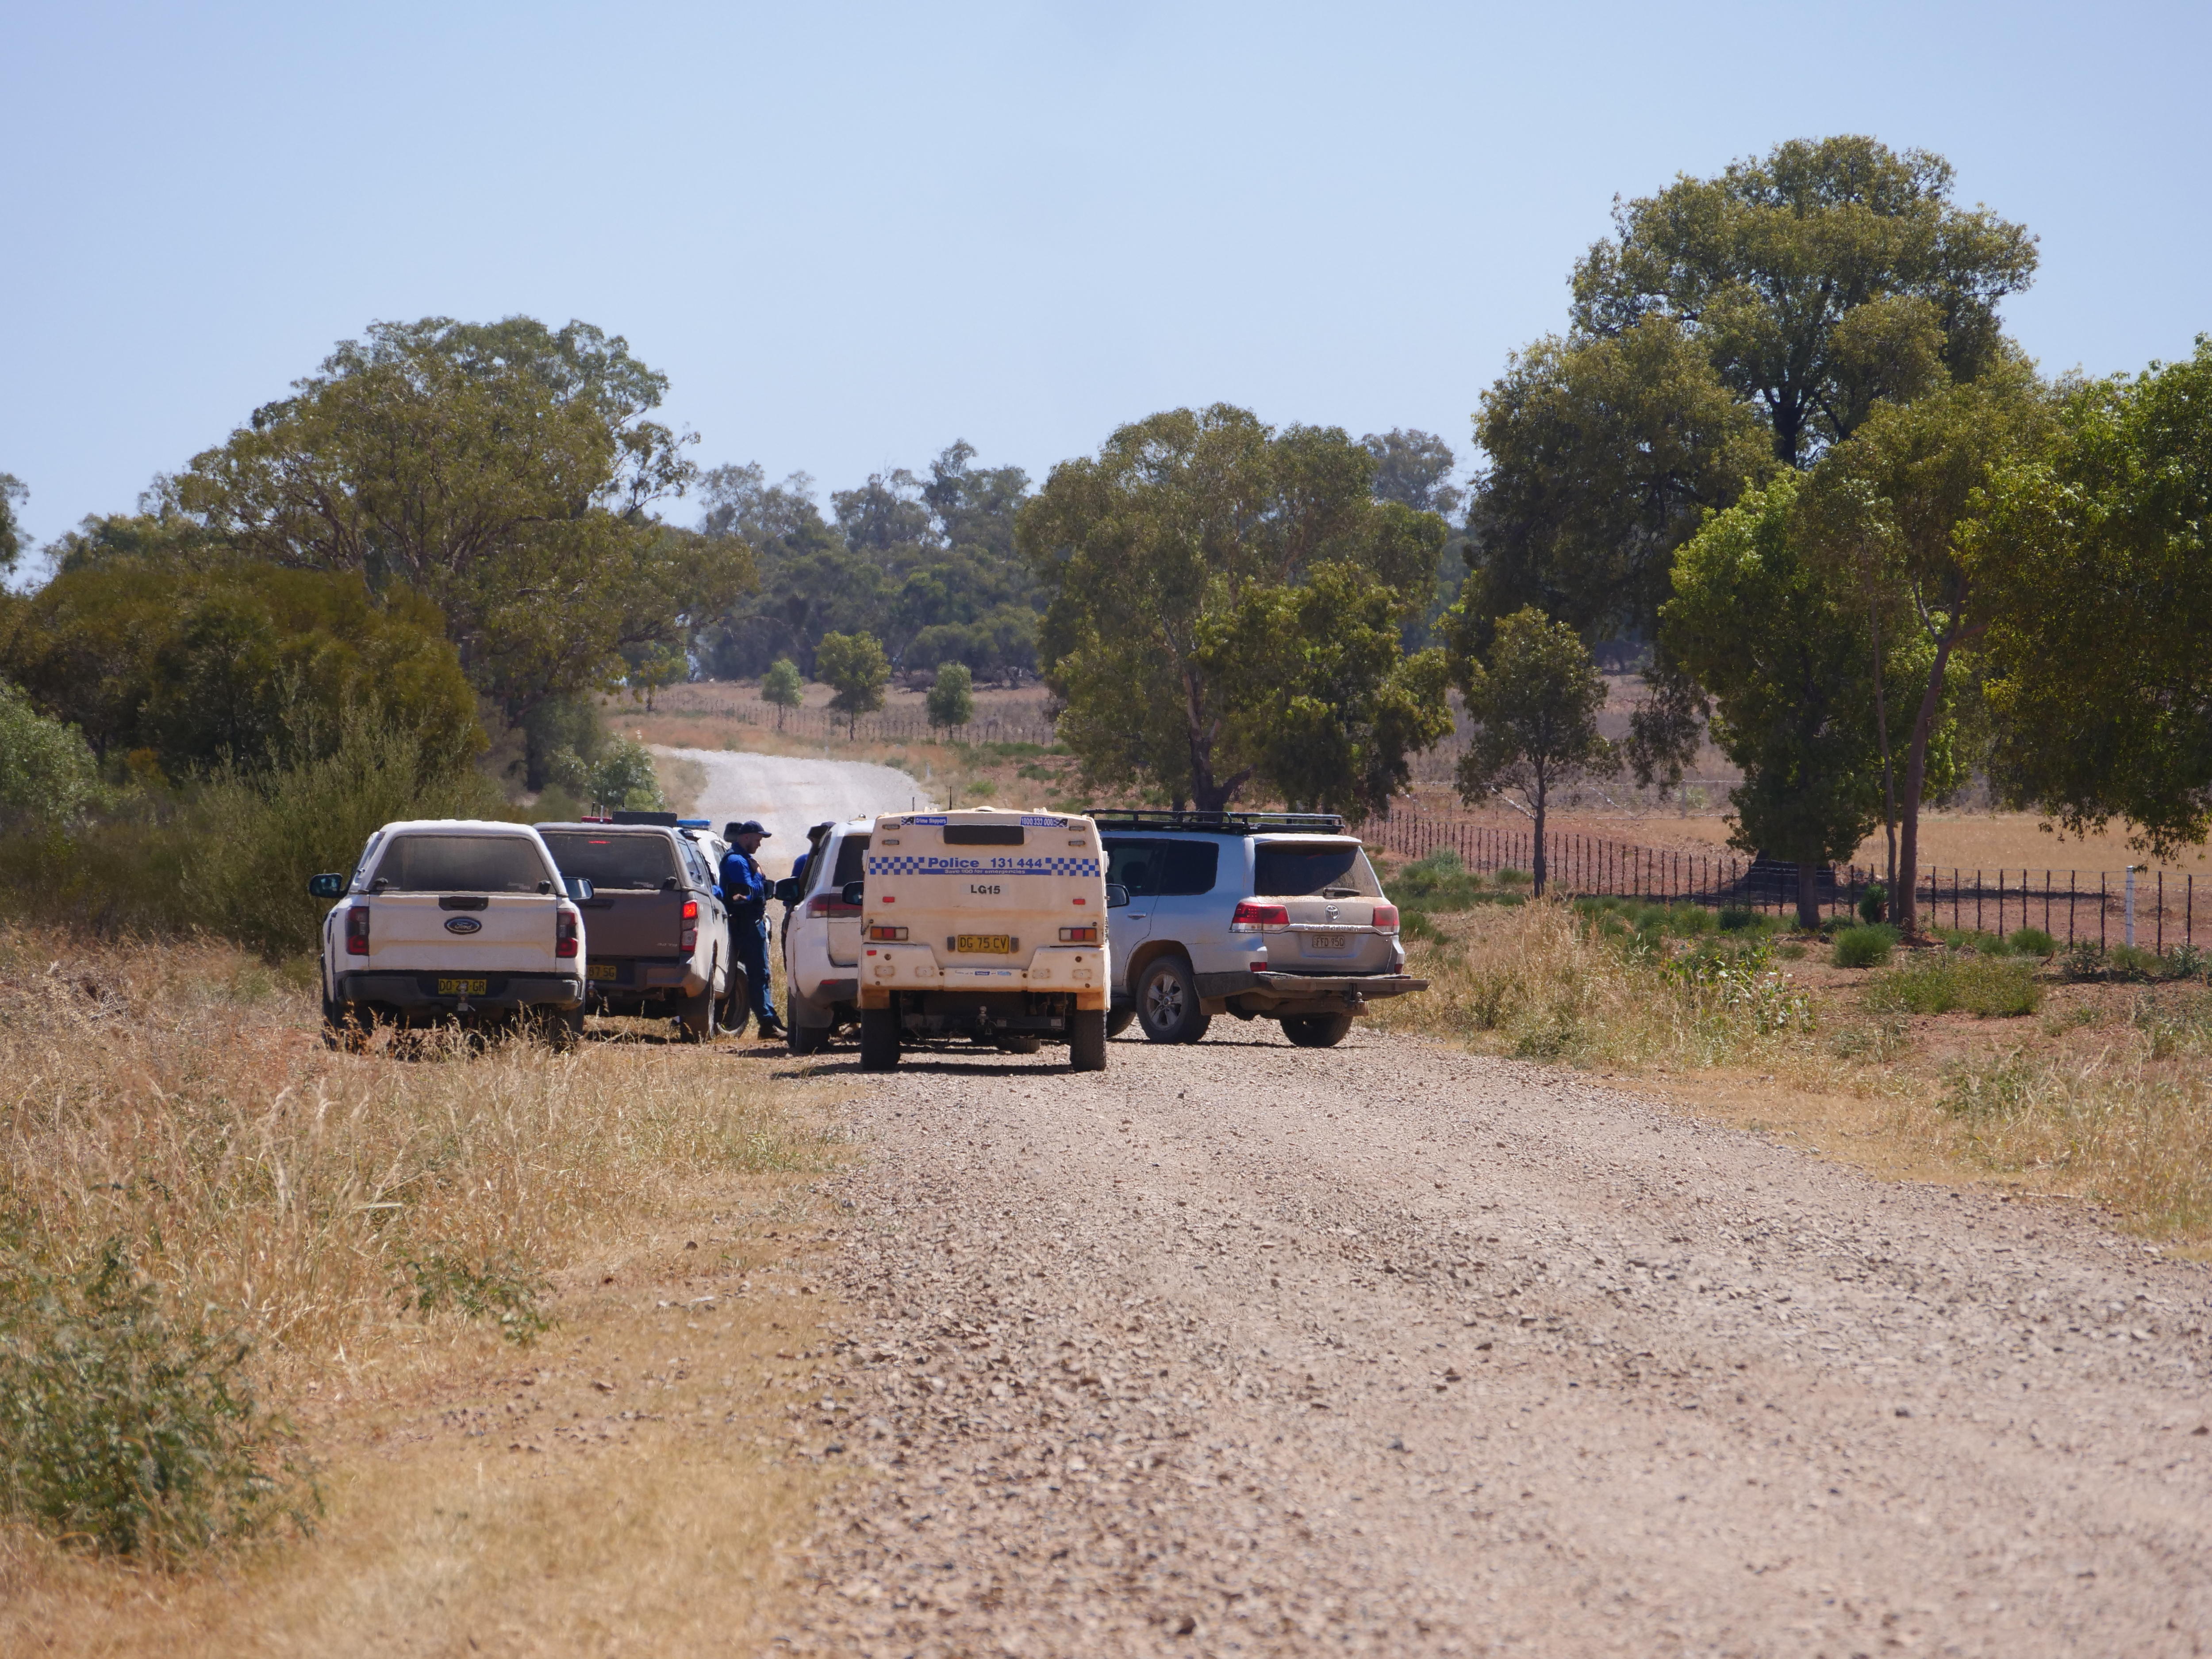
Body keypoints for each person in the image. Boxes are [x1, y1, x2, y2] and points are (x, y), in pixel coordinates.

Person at [719, 820, 782, 1037]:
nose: (759, 845)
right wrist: (759, 876)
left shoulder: (743, 860)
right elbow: (745, 893)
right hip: (746, 924)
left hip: (748, 923)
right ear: (745, 838)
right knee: (758, 974)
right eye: (757, 840)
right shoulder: (737, 862)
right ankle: (767, 1023)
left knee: (760, 974)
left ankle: (770, 1020)